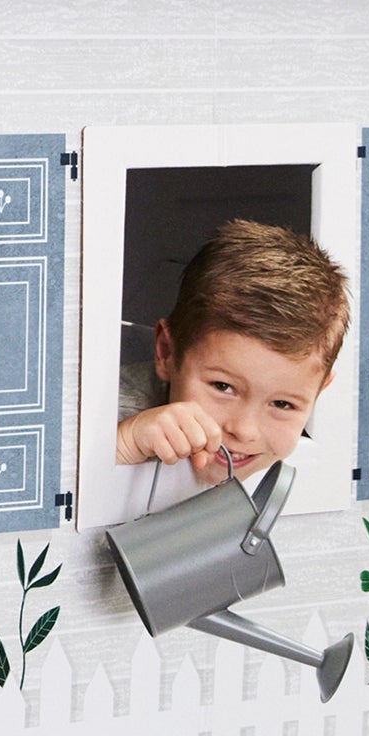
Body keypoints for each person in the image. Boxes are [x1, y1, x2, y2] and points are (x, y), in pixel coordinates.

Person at [114, 219, 350, 518]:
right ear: (166, 352)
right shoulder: (112, 407)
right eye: (223, 387)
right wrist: (125, 444)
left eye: (282, 403)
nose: (244, 429)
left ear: (318, 393)